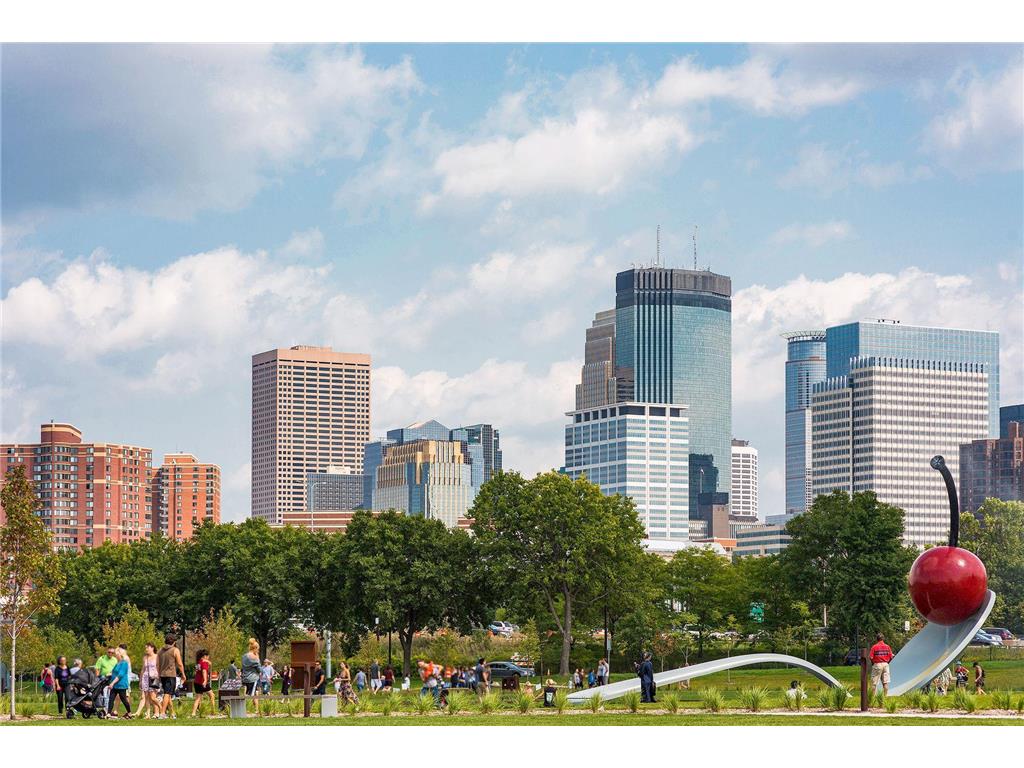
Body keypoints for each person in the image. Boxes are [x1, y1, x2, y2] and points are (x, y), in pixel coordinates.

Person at [157, 633, 185, 719]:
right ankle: (162, 713)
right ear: (174, 642)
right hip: (170, 674)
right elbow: (179, 664)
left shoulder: (160, 650)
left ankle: (172, 713)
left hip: (162, 675)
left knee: (167, 693)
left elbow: (157, 664)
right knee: (167, 693)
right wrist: (183, 674)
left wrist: (158, 674)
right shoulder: (175, 650)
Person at [135, 643, 160, 718]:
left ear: (152, 648)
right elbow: (143, 669)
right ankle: (148, 714)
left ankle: (161, 708)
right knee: (146, 697)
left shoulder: (157, 657)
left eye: (147, 648)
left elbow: (159, 668)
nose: (146, 649)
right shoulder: (145, 657)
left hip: (154, 678)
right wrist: (140, 680)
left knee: (153, 697)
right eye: (145, 648)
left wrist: (158, 677)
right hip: (145, 678)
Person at [107, 647, 133, 718]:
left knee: (124, 699)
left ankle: (129, 713)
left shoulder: (124, 663)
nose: (115, 655)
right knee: (111, 698)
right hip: (115, 685)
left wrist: (112, 683)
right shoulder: (117, 663)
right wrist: (109, 674)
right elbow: (113, 672)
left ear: (120, 654)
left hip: (121, 685)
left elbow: (120, 675)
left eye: (116, 654)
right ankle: (108, 713)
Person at [190, 649, 215, 717]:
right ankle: (213, 712)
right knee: (212, 695)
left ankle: (193, 713)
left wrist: (209, 662)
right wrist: (205, 680)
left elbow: (199, 670)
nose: (208, 657)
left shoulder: (198, 662)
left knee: (198, 698)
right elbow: (204, 671)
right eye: (208, 656)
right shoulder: (204, 662)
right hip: (202, 682)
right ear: (205, 656)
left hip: (196, 682)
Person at [94, 646, 118, 710]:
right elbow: (97, 668)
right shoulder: (102, 658)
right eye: (109, 652)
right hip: (103, 679)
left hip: (112, 679)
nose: (110, 654)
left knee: (111, 695)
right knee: (104, 694)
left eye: (112, 653)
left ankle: (108, 709)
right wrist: (97, 679)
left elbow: (117, 670)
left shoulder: (115, 660)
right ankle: (104, 708)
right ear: (107, 652)